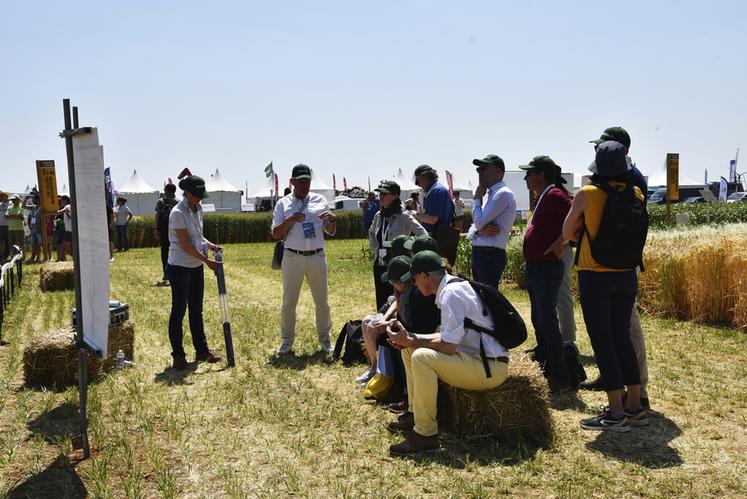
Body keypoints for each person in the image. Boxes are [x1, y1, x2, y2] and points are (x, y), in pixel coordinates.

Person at [385, 251, 510, 454]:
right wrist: (410, 340)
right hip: (478, 360)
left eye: (415, 279)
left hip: (489, 368)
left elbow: (449, 346)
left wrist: (411, 339)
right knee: (410, 350)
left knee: (421, 357)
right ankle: (415, 415)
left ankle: (426, 435)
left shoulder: (452, 294)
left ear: (425, 276)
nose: (414, 284)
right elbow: (448, 337)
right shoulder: (454, 287)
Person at [562, 141, 647, 431]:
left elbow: (566, 233)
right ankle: (634, 406)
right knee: (621, 336)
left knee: (603, 341)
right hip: (626, 275)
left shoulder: (587, 194)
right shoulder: (636, 193)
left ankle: (614, 412)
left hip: (595, 274)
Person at [581, 126, 650, 408]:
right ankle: (621, 383)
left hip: (605, 265)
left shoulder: (615, 183)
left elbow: (573, 229)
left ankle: (637, 392)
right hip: (625, 262)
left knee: (620, 331)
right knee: (620, 331)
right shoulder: (634, 182)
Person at [519, 156, 573, 392]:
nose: (525, 177)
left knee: (547, 318)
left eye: (529, 173)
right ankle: (546, 360)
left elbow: (577, 219)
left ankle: (559, 374)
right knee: (539, 317)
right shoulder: (545, 195)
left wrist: (561, 242)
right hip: (537, 266)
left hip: (546, 266)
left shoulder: (555, 196)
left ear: (541, 175)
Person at [271, 164, 337, 355]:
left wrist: (332, 221)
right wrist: (290, 220)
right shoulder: (283, 204)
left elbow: (330, 232)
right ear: (292, 182)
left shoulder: (320, 200)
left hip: (317, 256)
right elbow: (276, 233)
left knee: (322, 302)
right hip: (293, 257)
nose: (304, 185)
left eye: (307, 181)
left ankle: (325, 339)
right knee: (289, 302)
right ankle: (287, 341)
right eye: (300, 182)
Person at [167, 174, 222, 370]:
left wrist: (212, 246)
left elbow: (198, 237)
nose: (200, 199)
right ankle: (178, 355)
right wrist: (208, 261)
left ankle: (202, 350)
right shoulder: (177, 213)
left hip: (195, 266)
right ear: (187, 193)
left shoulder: (197, 209)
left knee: (196, 310)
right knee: (179, 311)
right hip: (180, 267)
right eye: (196, 195)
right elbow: (186, 244)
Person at [368, 180, 427, 309]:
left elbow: (423, 235)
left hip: (398, 265)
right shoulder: (379, 215)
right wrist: (376, 249)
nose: (381, 197)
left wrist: (409, 250)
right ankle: (382, 323)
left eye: (385, 194)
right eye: (380, 194)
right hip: (380, 262)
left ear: (395, 196)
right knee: (381, 297)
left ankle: (399, 325)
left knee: (398, 300)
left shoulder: (404, 215)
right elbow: (371, 233)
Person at [467, 154, 516, 288]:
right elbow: (472, 231)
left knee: (488, 301)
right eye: (479, 170)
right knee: (482, 300)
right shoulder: (492, 195)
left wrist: (476, 198)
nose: (480, 173)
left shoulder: (502, 193)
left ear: (498, 172)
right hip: (482, 254)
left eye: (484, 168)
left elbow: (477, 223)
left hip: (490, 255)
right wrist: (480, 230)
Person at [155, 183, 178, 283]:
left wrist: (155, 228)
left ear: (167, 191)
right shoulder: (178, 202)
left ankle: (166, 273)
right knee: (176, 251)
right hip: (176, 230)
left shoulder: (160, 201)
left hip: (164, 230)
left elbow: (157, 215)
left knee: (164, 252)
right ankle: (176, 273)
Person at [25, 194, 43, 264]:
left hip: (40, 229)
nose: (32, 201)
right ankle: (32, 257)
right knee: (33, 244)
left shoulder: (42, 207)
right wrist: (26, 199)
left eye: (33, 199)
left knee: (39, 244)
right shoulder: (33, 207)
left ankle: (38, 258)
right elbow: (23, 206)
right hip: (33, 228)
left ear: (38, 200)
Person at [55, 195, 73, 261]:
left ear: (65, 200)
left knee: (65, 247)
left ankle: (76, 258)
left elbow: (60, 212)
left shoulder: (67, 206)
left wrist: (50, 212)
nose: (60, 201)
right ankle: (64, 262)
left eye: (61, 200)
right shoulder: (70, 206)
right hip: (69, 230)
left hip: (70, 230)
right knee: (63, 247)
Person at [0, 192, 9, 261]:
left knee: (8, 241)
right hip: (1, 225)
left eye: (4, 196)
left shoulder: (10, 204)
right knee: (1, 241)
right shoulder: (0, 204)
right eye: (1, 196)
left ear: (7, 197)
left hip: (8, 225)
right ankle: (2, 255)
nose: (2, 197)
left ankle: (7, 255)